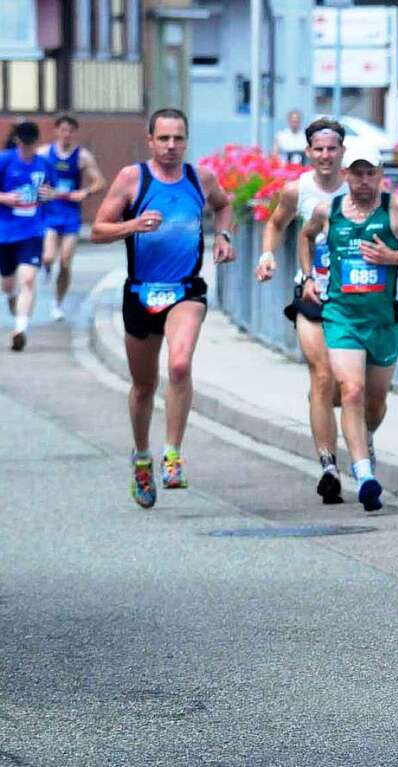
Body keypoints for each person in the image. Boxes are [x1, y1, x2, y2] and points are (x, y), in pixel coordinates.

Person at [91, 108, 235, 508]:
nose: (171, 146)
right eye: (164, 139)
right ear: (150, 140)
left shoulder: (199, 178)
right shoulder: (131, 178)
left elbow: (224, 205)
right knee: (143, 386)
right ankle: (141, 457)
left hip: (185, 290)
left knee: (179, 365)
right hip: (140, 292)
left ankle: (173, 455)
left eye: (179, 139)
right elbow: (98, 230)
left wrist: (223, 235)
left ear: (187, 141)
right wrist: (131, 226)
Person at [300, 142, 398, 512]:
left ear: (379, 175)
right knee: (352, 390)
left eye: (370, 173)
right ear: (344, 175)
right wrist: (309, 276)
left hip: (384, 321)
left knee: (375, 401)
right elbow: (305, 235)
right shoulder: (326, 211)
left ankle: (365, 439)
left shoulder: (396, 209)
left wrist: (395, 257)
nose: (363, 181)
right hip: (341, 316)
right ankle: (365, 476)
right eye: (356, 173)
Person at [255, 118, 349, 504]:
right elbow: (276, 223)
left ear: (342, 151)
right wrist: (266, 255)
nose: (325, 155)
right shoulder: (298, 189)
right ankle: (329, 465)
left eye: (332, 148)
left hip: (354, 297)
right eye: (319, 149)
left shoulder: (360, 186)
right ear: (308, 151)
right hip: (310, 289)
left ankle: (354, 434)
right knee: (322, 374)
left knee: (347, 389)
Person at [39, 114, 107, 320]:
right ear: (56, 131)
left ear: (74, 133)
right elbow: (32, 175)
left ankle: (57, 304)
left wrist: (84, 192)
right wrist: (40, 190)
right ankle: (47, 268)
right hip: (50, 212)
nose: (66, 134)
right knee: (49, 257)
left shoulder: (82, 156)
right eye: (63, 130)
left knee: (66, 261)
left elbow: (100, 181)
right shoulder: (44, 153)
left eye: (70, 131)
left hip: (70, 214)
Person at [0, 121, 56, 351]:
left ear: (36, 142)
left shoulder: (44, 164)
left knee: (29, 279)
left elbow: (51, 192)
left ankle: (20, 330)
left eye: (32, 145)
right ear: (18, 142)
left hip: (33, 230)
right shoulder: (5, 160)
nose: (28, 149)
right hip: (5, 232)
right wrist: (5, 198)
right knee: (8, 283)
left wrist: (48, 193)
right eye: (24, 145)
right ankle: (10, 297)